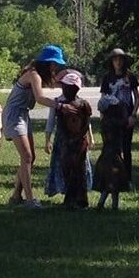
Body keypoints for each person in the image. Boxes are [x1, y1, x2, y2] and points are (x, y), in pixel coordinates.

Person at [2, 45, 65, 210]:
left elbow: (54, 84)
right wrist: (61, 106)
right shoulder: (33, 74)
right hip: (14, 115)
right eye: (54, 63)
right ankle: (30, 201)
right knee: (27, 157)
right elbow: (40, 98)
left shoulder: (37, 74)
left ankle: (16, 195)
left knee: (30, 157)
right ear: (47, 62)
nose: (56, 67)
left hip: (23, 114)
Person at [45, 69, 93, 209]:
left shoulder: (83, 104)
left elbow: (86, 122)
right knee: (66, 170)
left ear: (76, 89)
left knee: (80, 171)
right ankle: (69, 199)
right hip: (63, 142)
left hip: (79, 143)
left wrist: (85, 137)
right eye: (66, 87)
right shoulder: (59, 104)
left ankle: (81, 200)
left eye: (70, 88)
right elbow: (51, 122)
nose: (67, 90)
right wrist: (48, 139)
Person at [99, 48, 139, 186]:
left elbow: (137, 97)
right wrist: (102, 117)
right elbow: (103, 99)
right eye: (115, 59)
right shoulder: (107, 78)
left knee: (126, 148)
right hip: (111, 118)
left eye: (120, 59)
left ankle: (128, 178)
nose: (118, 62)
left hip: (126, 116)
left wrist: (133, 115)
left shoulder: (130, 77)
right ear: (112, 61)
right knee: (112, 148)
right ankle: (111, 177)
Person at [94, 89, 130, 210]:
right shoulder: (112, 122)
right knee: (112, 181)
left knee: (112, 183)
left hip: (110, 153)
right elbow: (125, 122)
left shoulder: (106, 121)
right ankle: (108, 204)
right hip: (112, 155)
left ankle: (108, 204)